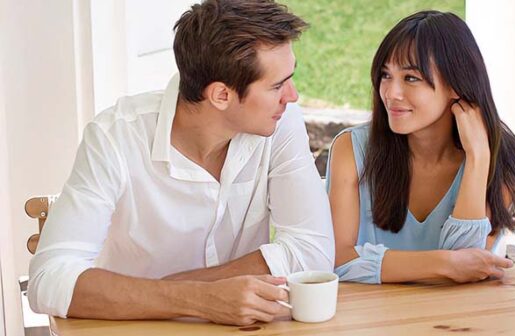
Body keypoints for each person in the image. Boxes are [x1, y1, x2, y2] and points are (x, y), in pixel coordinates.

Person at [28, 0, 334, 326]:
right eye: (277, 86)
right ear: (220, 95)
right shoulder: (114, 137)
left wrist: (169, 290)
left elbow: (312, 251)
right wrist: (200, 300)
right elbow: (48, 280)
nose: (293, 95)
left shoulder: (280, 124)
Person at [327, 10, 515, 284]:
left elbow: (467, 269)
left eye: (411, 78)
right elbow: (337, 260)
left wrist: (478, 158)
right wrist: (445, 263)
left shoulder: (503, 160)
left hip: (460, 321)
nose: (391, 93)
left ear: (456, 84)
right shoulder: (351, 148)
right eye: (386, 75)